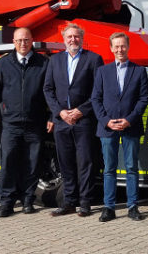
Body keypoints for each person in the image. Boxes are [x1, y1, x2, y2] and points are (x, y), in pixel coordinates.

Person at [43, 23, 103, 217]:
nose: (73, 40)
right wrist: (60, 112)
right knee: (65, 163)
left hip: (83, 120)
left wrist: (81, 110)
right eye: (69, 37)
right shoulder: (54, 60)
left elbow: (98, 91)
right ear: (64, 39)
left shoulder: (93, 59)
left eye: (76, 37)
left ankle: (85, 203)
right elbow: (48, 89)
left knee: (85, 162)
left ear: (82, 38)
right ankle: (69, 202)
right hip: (62, 121)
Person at [0, 28, 49, 217]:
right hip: (11, 124)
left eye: (26, 40)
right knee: (8, 162)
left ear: (32, 41)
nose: (23, 43)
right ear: (13, 42)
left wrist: (52, 116)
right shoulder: (4, 64)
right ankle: (6, 202)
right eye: (19, 40)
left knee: (32, 163)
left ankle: (28, 200)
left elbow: (51, 93)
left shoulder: (43, 63)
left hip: (35, 123)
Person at [91, 32, 148, 222]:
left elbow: (143, 99)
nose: (119, 50)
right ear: (111, 48)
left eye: (122, 46)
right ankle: (109, 207)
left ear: (128, 46)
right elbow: (95, 99)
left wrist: (130, 119)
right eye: (116, 46)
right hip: (108, 128)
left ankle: (133, 206)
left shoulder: (139, 71)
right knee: (109, 168)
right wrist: (105, 120)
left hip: (130, 127)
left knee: (132, 167)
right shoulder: (102, 71)